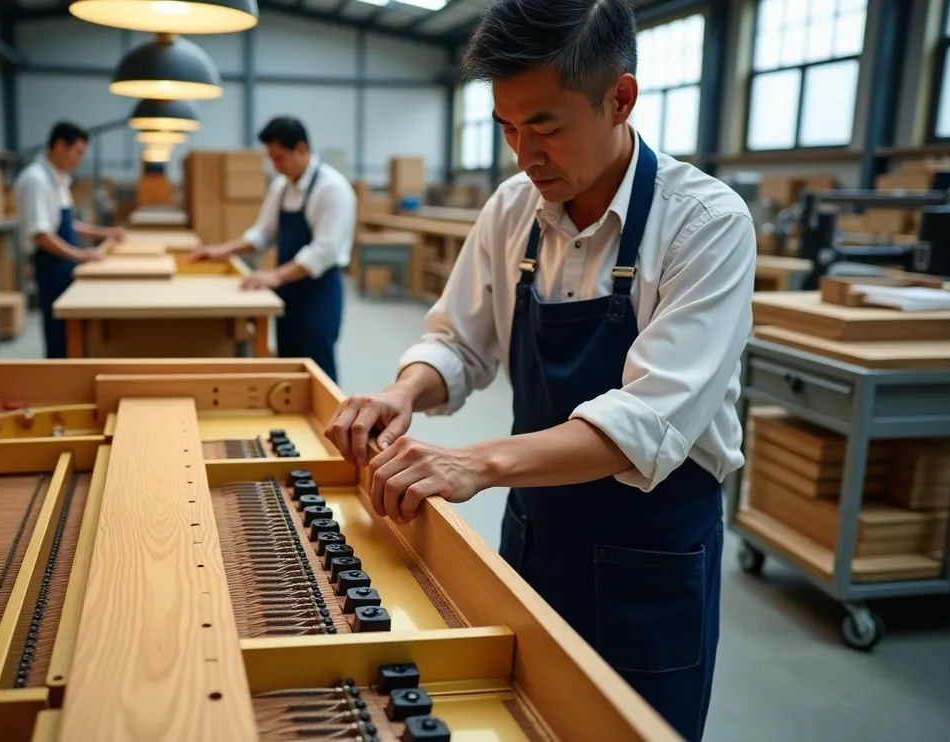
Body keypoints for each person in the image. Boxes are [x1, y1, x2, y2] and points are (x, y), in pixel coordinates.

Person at [322, 1, 755, 739]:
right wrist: (403, 392)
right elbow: (459, 342)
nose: (525, 154)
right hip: (536, 533)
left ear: (620, 99)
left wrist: (477, 463)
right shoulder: (512, 210)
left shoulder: (705, 225)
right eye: (507, 128)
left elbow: (646, 424)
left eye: (546, 126)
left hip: (648, 560)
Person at [189, 116, 356, 383]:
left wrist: (275, 276)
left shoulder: (333, 190)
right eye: (271, 159)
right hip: (287, 290)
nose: (275, 166)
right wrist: (223, 250)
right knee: (288, 363)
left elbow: (324, 251)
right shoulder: (281, 187)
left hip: (318, 291)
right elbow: (263, 233)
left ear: (301, 149)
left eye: (279, 158)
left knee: (318, 371)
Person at [14, 121, 125, 358]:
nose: (79, 159)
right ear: (59, 146)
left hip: (63, 263)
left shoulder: (58, 179)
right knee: (58, 331)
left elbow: (65, 224)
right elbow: (41, 235)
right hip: (50, 264)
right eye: (78, 152)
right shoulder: (36, 180)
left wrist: (103, 233)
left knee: (69, 331)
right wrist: (83, 255)